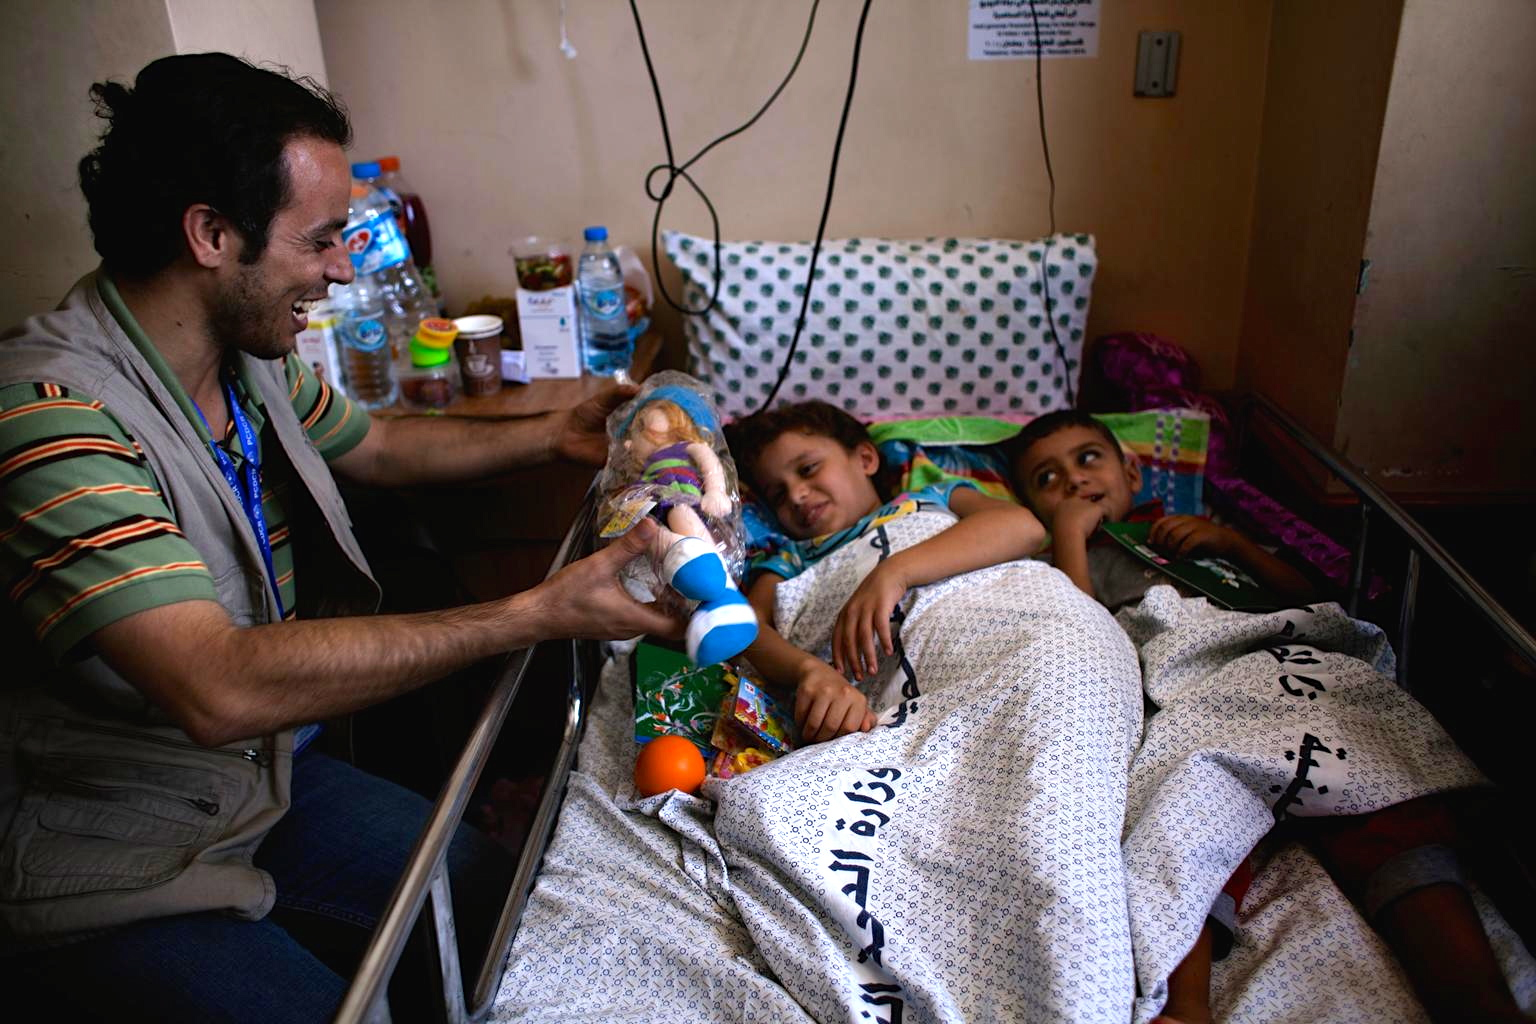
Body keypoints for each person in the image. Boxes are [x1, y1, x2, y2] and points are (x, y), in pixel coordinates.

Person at [0, 54, 682, 1022]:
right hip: (113, 848)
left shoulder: (242, 357)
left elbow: (378, 444)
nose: (346, 268)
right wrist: (533, 613)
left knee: (508, 908)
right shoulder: (49, 416)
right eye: (322, 239)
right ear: (211, 234)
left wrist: (550, 435)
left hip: (266, 782)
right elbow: (217, 683)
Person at [1009, 409, 1525, 1024]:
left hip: (1288, 663)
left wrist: (1233, 544)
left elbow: (1314, 603)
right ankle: (1187, 1006)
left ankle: (1476, 997)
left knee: (1380, 785)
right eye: (1048, 478)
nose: (1072, 480)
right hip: (1195, 689)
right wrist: (1070, 537)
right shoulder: (1056, 565)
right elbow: (1082, 629)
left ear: (1134, 469)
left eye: (1088, 458)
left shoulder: (1202, 530)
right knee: (1179, 815)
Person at [725, 401, 1046, 743]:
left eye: (808, 469)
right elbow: (745, 626)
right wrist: (810, 670)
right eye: (778, 494)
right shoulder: (792, 555)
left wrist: (895, 571)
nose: (797, 495)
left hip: (1017, 639)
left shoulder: (929, 498)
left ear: (865, 459)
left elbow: (1024, 527)